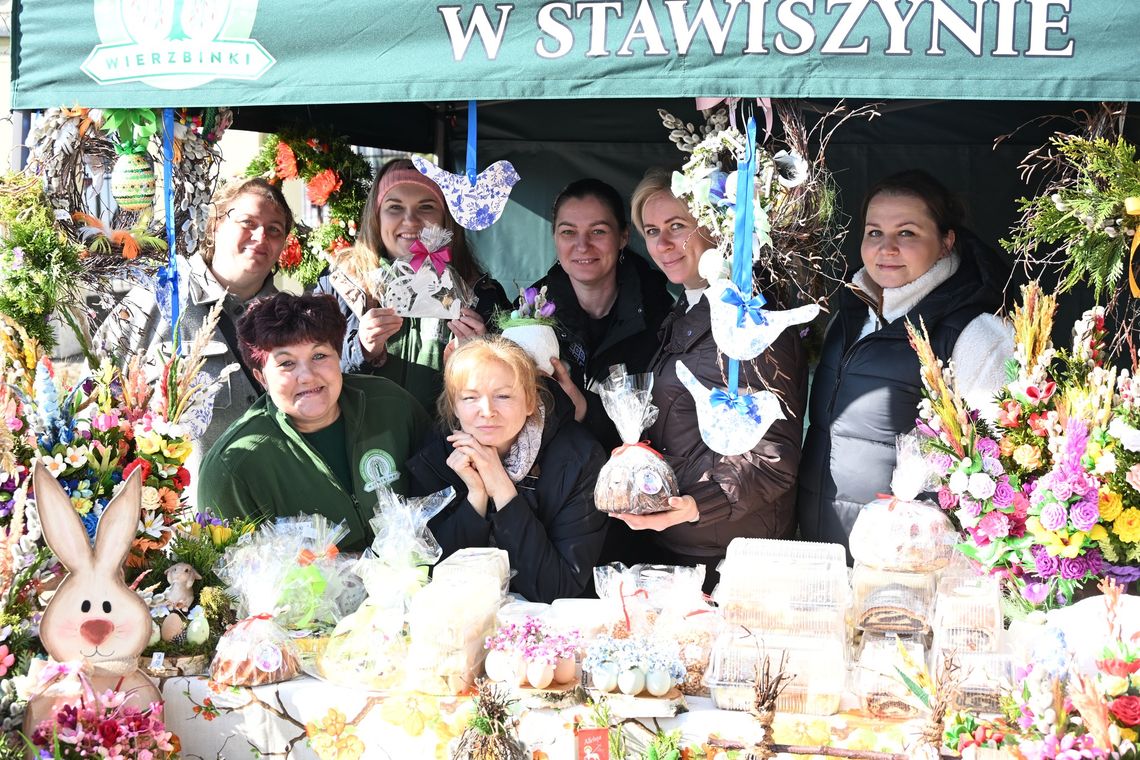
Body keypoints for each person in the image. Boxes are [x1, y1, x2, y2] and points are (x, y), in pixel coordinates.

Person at [798, 169, 1013, 556]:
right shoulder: (849, 311)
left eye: (907, 233)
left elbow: (1001, 461)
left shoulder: (976, 332)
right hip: (824, 551)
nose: (886, 248)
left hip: (909, 562)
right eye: (874, 232)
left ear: (946, 242)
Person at [613, 169, 807, 590]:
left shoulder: (750, 321)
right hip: (692, 540)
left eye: (677, 227)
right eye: (651, 231)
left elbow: (773, 458)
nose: (662, 245)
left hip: (732, 556)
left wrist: (696, 505)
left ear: (715, 228)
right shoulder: (687, 308)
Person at [199, 292, 430, 552]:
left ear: (339, 356)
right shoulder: (233, 469)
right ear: (261, 378)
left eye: (319, 356)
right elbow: (226, 575)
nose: (307, 376)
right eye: (286, 363)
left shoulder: (392, 405)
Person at [96, 177, 292, 461]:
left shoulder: (293, 319)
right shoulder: (157, 299)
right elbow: (97, 393)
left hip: (276, 499)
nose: (261, 236)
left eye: (274, 230)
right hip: (179, 502)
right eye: (248, 222)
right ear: (214, 224)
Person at [405, 335, 609, 603]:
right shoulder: (436, 455)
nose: (487, 411)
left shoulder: (579, 458)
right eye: (469, 397)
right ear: (454, 406)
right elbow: (431, 575)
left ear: (529, 402)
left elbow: (559, 587)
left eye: (502, 396)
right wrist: (476, 497)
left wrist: (501, 488)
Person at [316, 158, 510, 414]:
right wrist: (360, 349)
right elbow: (310, 375)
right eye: (395, 207)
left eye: (426, 207)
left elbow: (514, 389)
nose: (410, 220)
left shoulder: (481, 294)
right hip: (362, 446)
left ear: (446, 219)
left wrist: (481, 354)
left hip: (448, 447)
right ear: (377, 216)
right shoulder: (340, 285)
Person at [531, 178, 674, 449]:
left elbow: (665, 420)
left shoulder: (659, 313)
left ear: (623, 237)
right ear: (554, 238)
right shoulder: (530, 312)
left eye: (597, 231)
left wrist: (585, 408)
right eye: (568, 232)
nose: (582, 246)